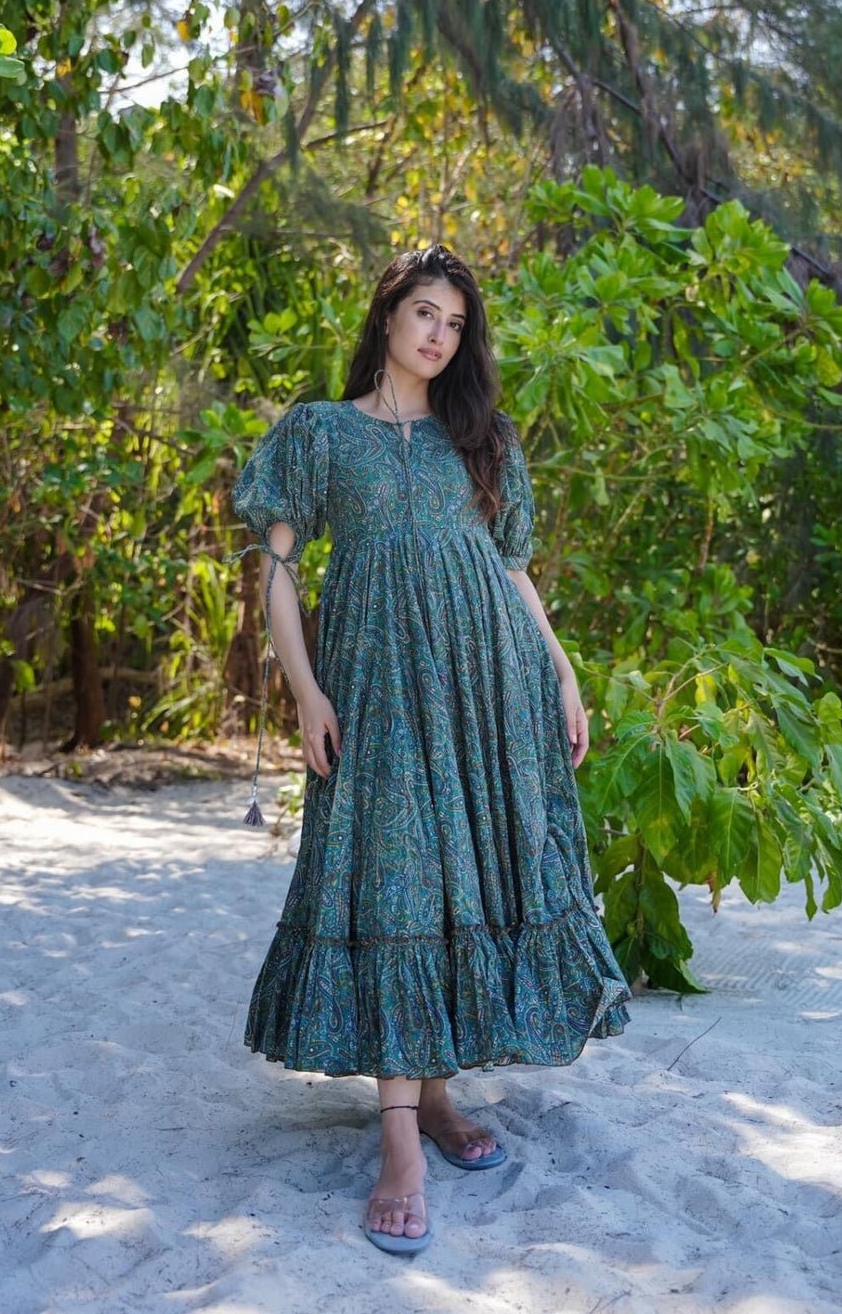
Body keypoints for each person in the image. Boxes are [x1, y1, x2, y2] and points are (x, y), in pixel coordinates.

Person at [231, 243, 632, 1255]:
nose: (438, 335)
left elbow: (512, 569)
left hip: (484, 685)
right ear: (387, 315)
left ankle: (437, 1097)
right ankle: (401, 1145)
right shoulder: (321, 433)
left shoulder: (481, 435)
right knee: (395, 878)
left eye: (454, 323)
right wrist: (306, 690)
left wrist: (562, 672)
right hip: (375, 686)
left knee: (459, 877)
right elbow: (276, 572)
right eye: (424, 312)